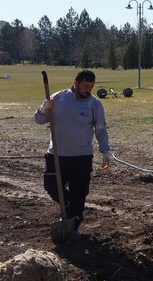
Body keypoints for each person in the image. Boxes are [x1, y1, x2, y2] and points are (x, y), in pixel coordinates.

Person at [35, 69, 111, 239]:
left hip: (82, 157)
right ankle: (71, 210)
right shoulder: (58, 98)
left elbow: (101, 130)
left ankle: (73, 226)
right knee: (51, 185)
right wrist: (43, 109)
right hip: (56, 155)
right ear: (75, 83)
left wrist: (105, 151)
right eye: (85, 86)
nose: (88, 90)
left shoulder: (94, 104)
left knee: (80, 193)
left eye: (91, 87)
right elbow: (39, 120)